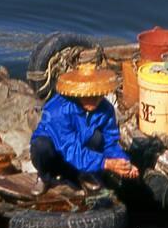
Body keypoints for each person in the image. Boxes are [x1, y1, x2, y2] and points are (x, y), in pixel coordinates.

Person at [31, 63, 139, 193]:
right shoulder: (58, 110)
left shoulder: (105, 109)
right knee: (41, 146)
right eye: (88, 96)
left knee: (98, 138)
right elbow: (70, 149)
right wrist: (105, 163)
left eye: (97, 95)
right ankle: (44, 177)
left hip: (82, 154)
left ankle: (83, 172)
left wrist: (124, 163)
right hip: (58, 154)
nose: (95, 100)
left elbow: (110, 142)